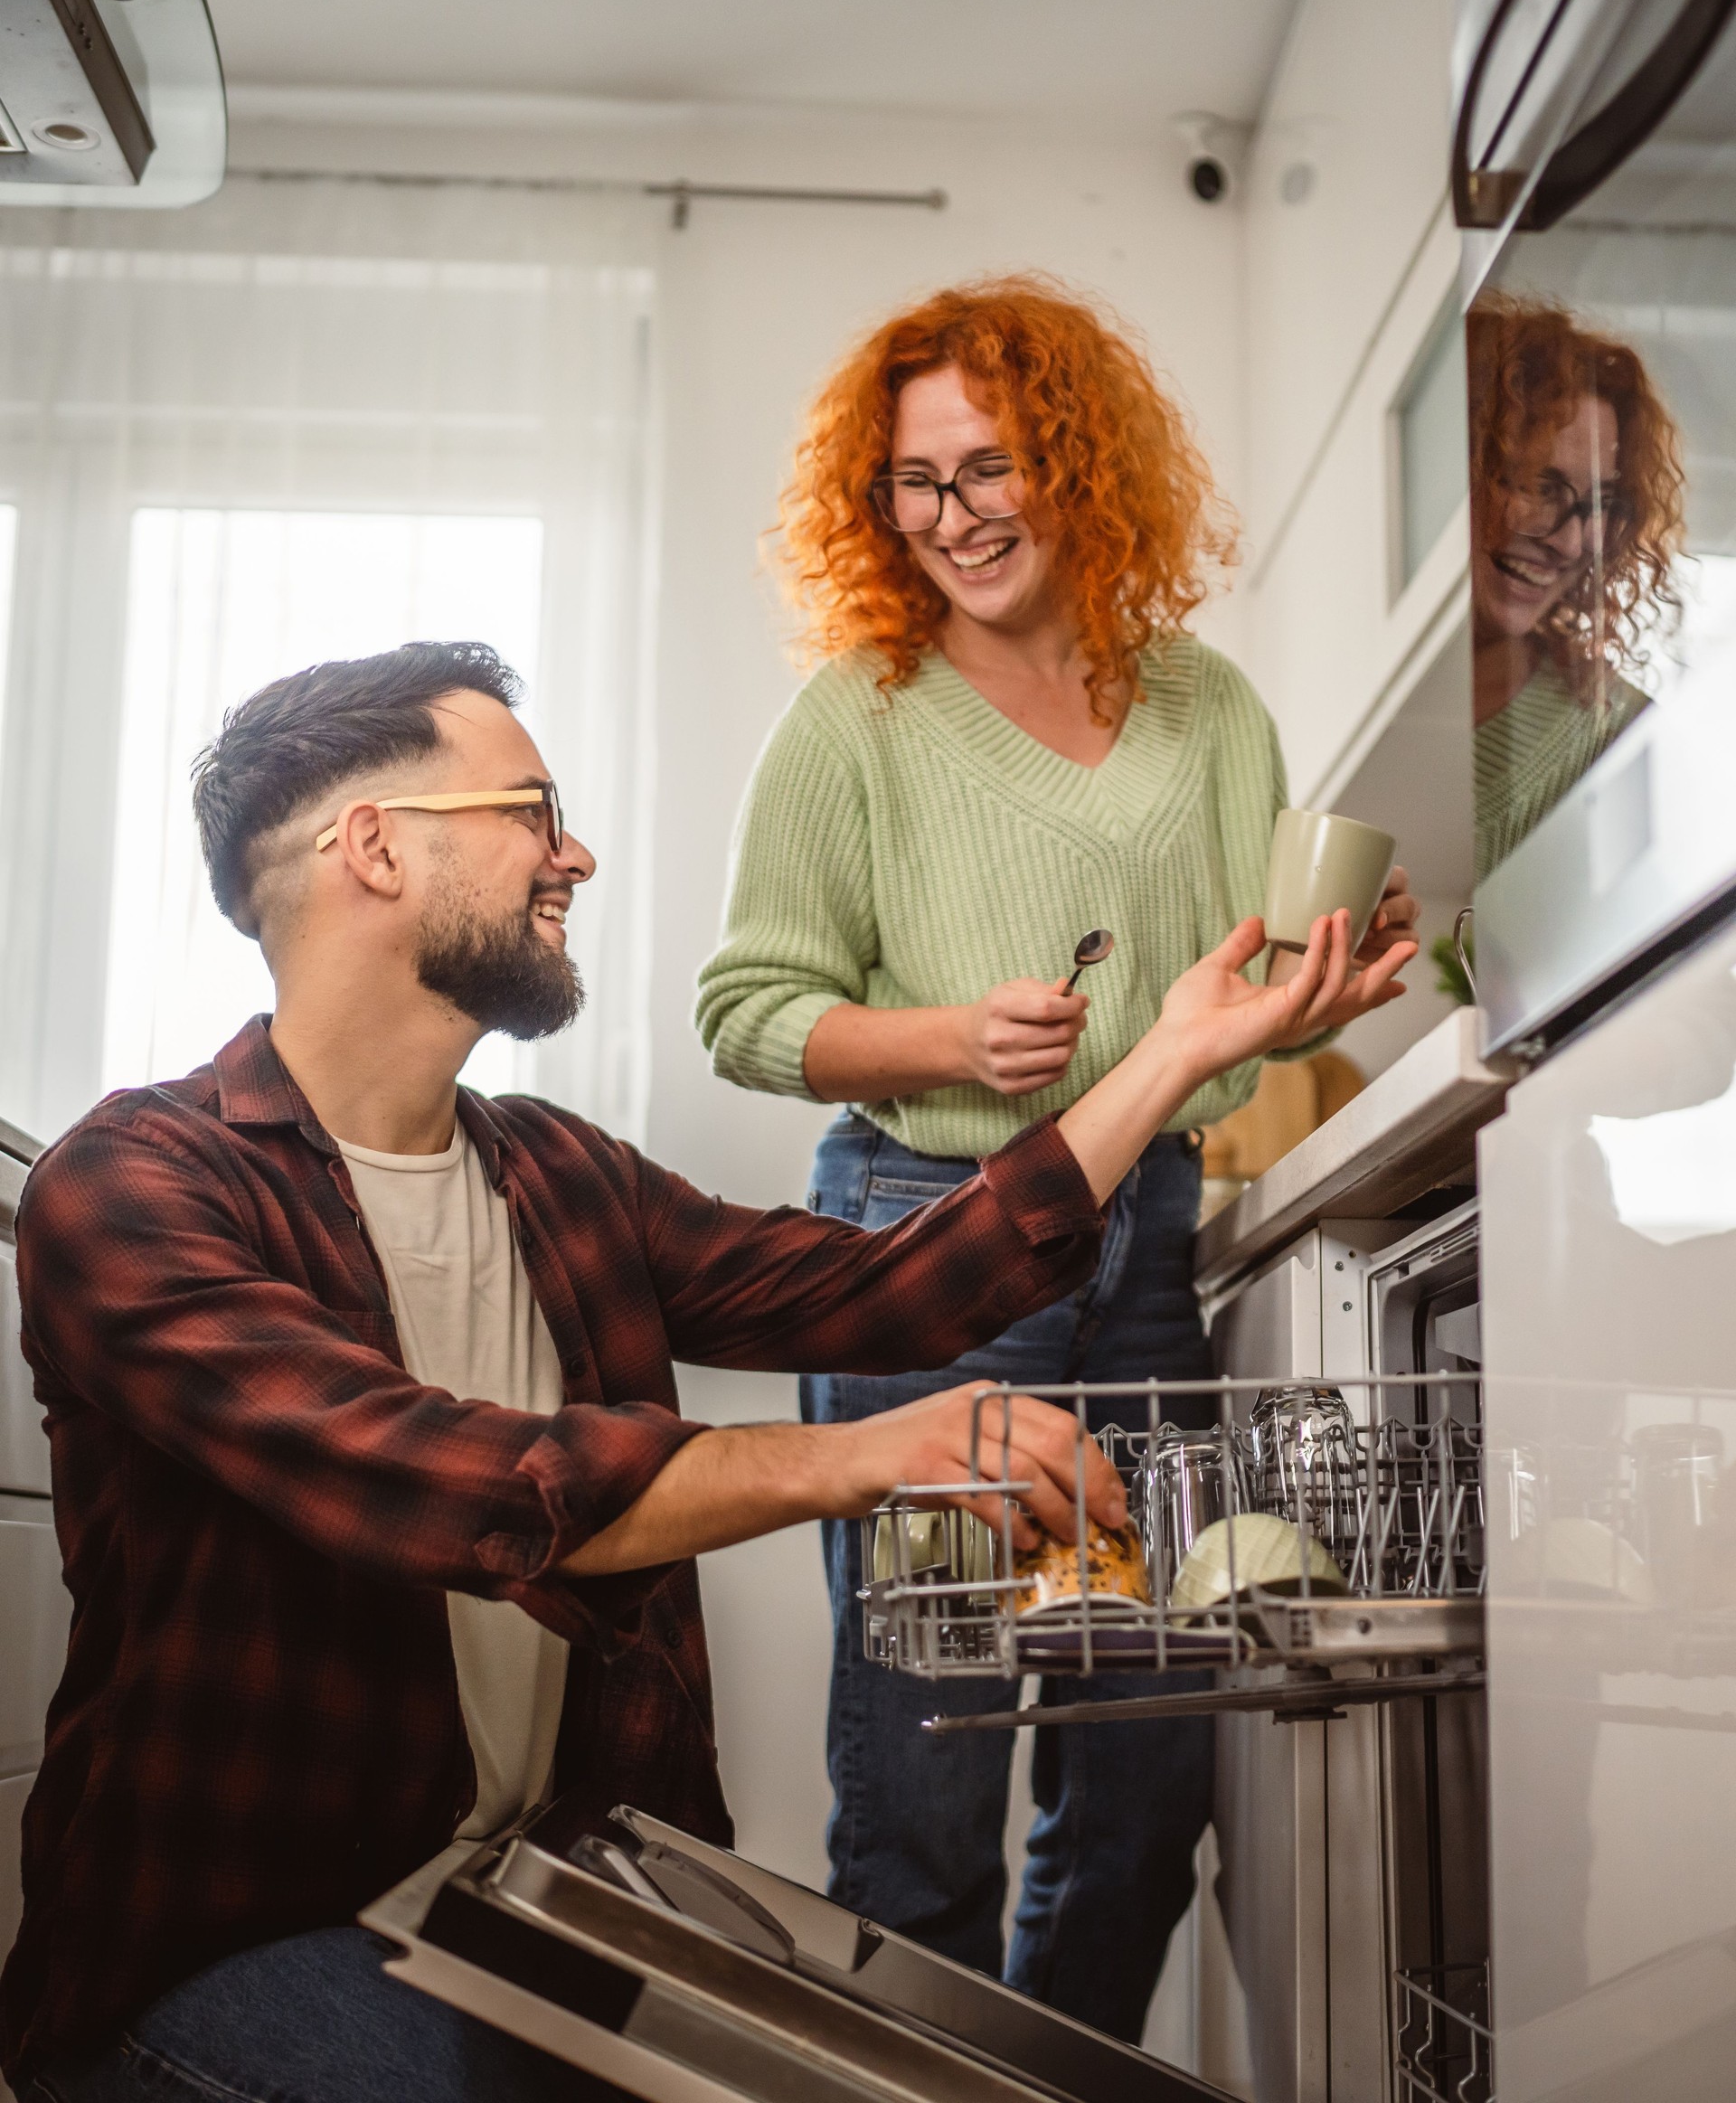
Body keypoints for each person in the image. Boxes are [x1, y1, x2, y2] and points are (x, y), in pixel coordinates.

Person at [0, 640, 1403, 2103]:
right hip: (240, 1944)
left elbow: (893, 1287)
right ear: (375, 847)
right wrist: (867, 1455)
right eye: (533, 810)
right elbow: (465, 1487)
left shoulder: (554, 1175)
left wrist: (1179, 1052)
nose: (576, 854)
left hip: (530, 1901)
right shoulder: (134, 1187)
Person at [695, 275, 1420, 2041]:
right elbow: (748, 1010)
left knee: (1143, 1787)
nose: (955, 518)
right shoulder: (854, 718)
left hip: (1145, 1256)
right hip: (925, 1252)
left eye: (990, 466)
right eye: (917, 485)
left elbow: (1242, 1003)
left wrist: (1345, 965)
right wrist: (947, 1039)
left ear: (1077, 461)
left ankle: (1042, 2085)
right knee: (930, 1781)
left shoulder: (1209, 711)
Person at [1467, 291, 1685, 878]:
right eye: (1538, 486)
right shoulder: (1328, 702)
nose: (1569, 542)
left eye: (1602, 504)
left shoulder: (1622, 739)